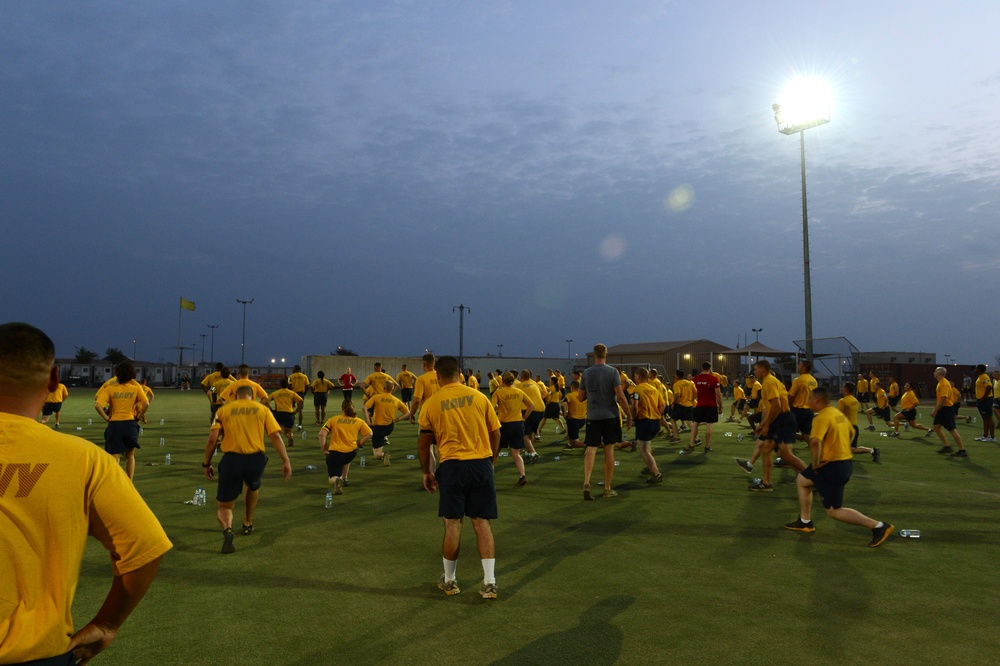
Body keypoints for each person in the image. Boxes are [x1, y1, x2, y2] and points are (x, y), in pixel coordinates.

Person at [0, 322, 172, 664]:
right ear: (55, 379)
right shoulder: (84, 460)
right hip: (34, 653)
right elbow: (145, 549)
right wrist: (107, 624)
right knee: (127, 457)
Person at [418, 355, 501, 600]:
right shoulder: (479, 397)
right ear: (460, 373)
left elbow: (424, 444)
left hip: (452, 466)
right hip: (481, 464)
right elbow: (496, 432)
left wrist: (426, 472)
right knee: (482, 524)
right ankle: (489, 582)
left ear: (437, 376)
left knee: (453, 524)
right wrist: (491, 461)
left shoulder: (431, 403)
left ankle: (450, 580)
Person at [784, 387, 894, 547]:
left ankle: (878, 526)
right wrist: (843, 448)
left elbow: (814, 442)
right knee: (802, 480)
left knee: (833, 510)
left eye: (810, 399)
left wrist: (816, 463)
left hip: (832, 466)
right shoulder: (837, 413)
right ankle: (805, 521)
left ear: (817, 401)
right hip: (842, 462)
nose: (808, 401)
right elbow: (852, 433)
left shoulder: (821, 417)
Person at [203, 384, 292, 552]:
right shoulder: (262, 409)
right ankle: (247, 523)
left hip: (231, 459)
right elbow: (275, 435)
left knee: (224, 506)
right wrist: (286, 461)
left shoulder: (223, 410)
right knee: (252, 486)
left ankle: (228, 529)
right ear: (253, 396)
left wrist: (206, 464)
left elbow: (212, 439)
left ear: (236, 396)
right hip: (255, 459)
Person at [579, 344, 633, 500]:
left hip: (593, 416)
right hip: (610, 416)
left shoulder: (586, 373)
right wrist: (629, 415)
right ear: (606, 354)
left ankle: (586, 482)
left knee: (591, 449)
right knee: (609, 450)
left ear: (594, 355)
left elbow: (580, 397)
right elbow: (620, 396)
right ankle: (607, 488)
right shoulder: (612, 372)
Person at [748, 360, 805, 491]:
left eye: (756, 369)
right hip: (781, 418)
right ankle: (766, 483)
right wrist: (763, 424)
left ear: (763, 369)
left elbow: (776, 406)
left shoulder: (769, 382)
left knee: (786, 455)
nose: (755, 372)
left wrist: (767, 425)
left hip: (782, 419)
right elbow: (771, 407)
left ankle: (814, 478)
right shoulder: (771, 381)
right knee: (767, 449)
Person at [94, 361, 149, 481]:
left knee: (114, 457)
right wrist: (139, 416)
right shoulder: (136, 388)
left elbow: (97, 405)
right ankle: (129, 483)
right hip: (130, 425)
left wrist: (106, 418)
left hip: (115, 425)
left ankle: (115, 483)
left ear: (117, 374)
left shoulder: (110, 389)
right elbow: (146, 403)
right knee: (130, 456)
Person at [319, 399, 372, 495]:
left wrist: (324, 449)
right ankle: (344, 478)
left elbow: (322, 434)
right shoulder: (359, 421)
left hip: (335, 453)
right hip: (351, 453)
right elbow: (369, 434)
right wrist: (359, 444)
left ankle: (337, 480)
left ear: (342, 408)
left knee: (332, 478)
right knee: (345, 460)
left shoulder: (333, 419)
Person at [490, 371, 534, 485]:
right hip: (518, 425)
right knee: (516, 453)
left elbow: (491, 408)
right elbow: (531, 405)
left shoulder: (499, 393)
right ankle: (522, 475)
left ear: (502, 381)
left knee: (495, 451)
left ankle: (489, 476)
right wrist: (524, 417)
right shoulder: (519, 391)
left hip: (504, 425)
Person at [630, 367, 664, 484]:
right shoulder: (654, 389)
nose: (634, 378)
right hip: (656, 422)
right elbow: (662, 405)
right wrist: (657, 415)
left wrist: (633, 418)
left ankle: (656, 473)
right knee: (646, 446)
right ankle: (649, 466)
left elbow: (634, 406)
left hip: (644, 421)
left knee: (644, 450)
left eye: (635, 376)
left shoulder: (636, 389)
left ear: (639, 376)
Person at [364, 380, 409, 465]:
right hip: (389, 427)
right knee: (381, 437)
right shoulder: (396, 400)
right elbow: (407, 412)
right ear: (392, 389)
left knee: (377, 454)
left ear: (383, 388)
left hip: (377, 428)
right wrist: (397, 419)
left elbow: (364, 408)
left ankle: (383, 454)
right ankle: (384, 441)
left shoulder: (376, 397)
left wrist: (369, 422)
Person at [930, 366, 967, 457]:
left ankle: (962, 450)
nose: (934, 372)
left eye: (935, 371)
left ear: (940, 373)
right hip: (943, 408)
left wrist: (935, 410)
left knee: (952, 430)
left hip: (946, 409)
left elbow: (944, 399)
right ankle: (947, 447)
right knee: (936, 427)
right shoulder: (941, 382)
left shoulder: (943, 383)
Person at [839, 382, 880, 461]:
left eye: (843, 387)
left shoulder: (843, 401)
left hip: (847, 428)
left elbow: (838, 415)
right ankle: (872, 451)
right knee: (852, 449)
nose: (842, 388)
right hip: (854, 427)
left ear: (846, 389)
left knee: (847, 448)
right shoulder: (855, 400)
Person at [688, 362, 722, 452]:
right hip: (711, 405)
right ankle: (707, 447)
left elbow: (694, 391)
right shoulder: (714, 379)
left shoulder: (697, 378)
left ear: (702, 368)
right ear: (710, 368)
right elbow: (718, 394)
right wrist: (720, 406)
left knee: (695, 424)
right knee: (709, 425)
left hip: (700, 405)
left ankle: (691, 444)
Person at [514, 370, 544, 461]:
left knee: (523, 434)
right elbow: (543, 393)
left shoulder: (519, 386)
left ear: (521, 377)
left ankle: (533, 452)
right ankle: (528, 452)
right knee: (531, 432)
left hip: (530, 410)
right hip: (541, 410)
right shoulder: (535, 383)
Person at [266, 378, 304, 447]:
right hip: (288, 414)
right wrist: (296, 411)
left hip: (278, 414)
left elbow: (266, 401)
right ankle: (290, 437)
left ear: (280, 385)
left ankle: (277, 441)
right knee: (287, 431)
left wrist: (271, 410)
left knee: (276, 430)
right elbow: (301, 401)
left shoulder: (275, 393)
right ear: (287, 385)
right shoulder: (292, 393)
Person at [787, 360, 818, 443]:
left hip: (799, 409)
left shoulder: (799, 380)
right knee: (806, 433)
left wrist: (787, 406)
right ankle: (814, 447)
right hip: (809, 410)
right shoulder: (814, 380)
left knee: (786, 429)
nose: (798, 366)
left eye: (799, 365)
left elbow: (791, 396)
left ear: (804, 368)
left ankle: (784, 449)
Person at [560, 380, 588, 449]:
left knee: (573, 442)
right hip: (582, 419)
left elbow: (563, 404)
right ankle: (571, 445)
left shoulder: (570, 395)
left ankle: (588, 446)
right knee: (574, 438)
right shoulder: (583, 396)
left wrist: (565, 413)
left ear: (571, 387)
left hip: (573, 420)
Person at [973, 364, 996, 443]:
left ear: (980, 370)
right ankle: (985, 435)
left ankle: (992, 437)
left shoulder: (984, 377)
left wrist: (984, 398)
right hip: (981, 400)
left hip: (986, 400)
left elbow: (989, 387)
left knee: (989, 418)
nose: (975, 370)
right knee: (984, 418)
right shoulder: (980, 377)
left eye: (976, 368)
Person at [287, 365, 311, 429]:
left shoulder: (290, 376)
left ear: (294, 369)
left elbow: (289, 385)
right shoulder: (304, 376)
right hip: (301, 393)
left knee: (290, 408)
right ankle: (300, 425)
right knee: (300, 410)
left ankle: (290, 424)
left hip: (293, 393)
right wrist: (304, 393)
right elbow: (307, 386)